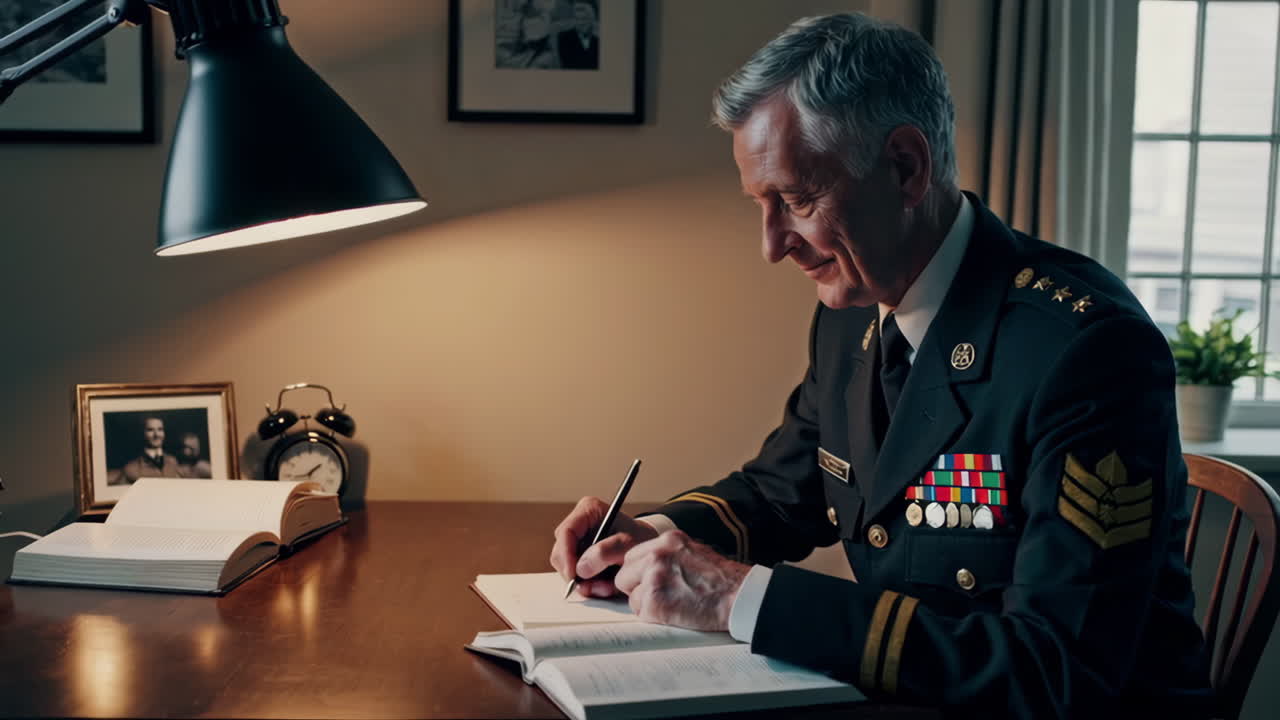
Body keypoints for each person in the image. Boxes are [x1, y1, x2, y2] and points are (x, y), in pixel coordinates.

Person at [549, 13, 1213, 718]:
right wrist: (649, 533)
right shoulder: (850, 312)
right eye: (760, 205)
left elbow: (1054, 672)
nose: (773, 246)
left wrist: (743, 597)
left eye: (797, 200)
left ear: (904, 167)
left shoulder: (1084, 350)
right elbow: (783, 492)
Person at [116, 416, 181, 484]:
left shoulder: (173, 462)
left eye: (160, 429)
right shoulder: (130, 468)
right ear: (142, 433)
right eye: (150, 430)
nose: (156, 434)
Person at [556, 0, 599, 70]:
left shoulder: (598, 38)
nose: (581, 22)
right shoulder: (564, 37)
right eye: (578, 18)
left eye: (585, 18)